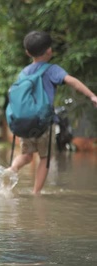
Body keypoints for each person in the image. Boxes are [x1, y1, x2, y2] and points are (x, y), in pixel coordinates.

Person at [7, 31, 97, 195]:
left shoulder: (24, 72)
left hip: (24, 122)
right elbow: (72, 81)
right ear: (49, 50)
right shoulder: (51, 70)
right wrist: (92, 95)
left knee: (27, 156)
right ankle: (36, 194)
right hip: (43, 124)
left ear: (28, 53)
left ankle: (12, 169)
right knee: (44, 158)